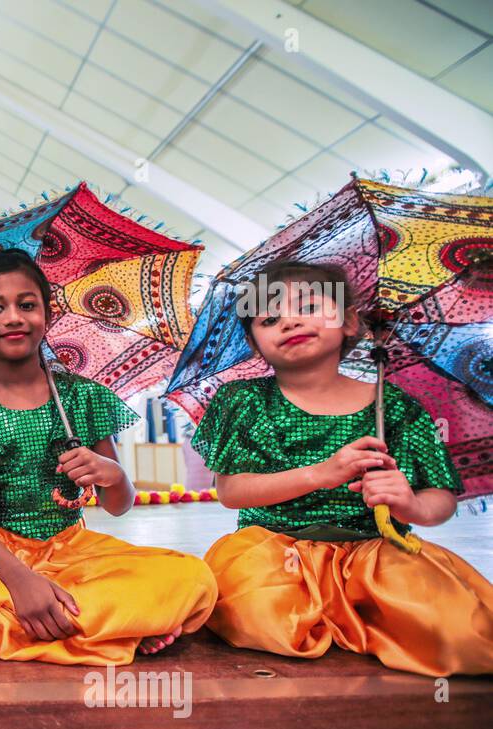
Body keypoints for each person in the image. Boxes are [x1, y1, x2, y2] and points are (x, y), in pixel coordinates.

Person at [0, 250, 218, 663]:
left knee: (192, 578)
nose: (13, 317)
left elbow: (118, 505)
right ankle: (108, 622)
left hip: (73, 553)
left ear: (48, 316)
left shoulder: (82, 397)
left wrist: (111, 473)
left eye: (27, 305)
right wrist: (21, 581)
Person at [194, 260, 492, 676]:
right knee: (255, 616)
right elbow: (233, 492)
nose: (290, 322)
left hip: (377, 551)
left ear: (350, 322)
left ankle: (364, 615)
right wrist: (324, 472)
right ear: (253, 342)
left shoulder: (396, 407)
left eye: (310, 307)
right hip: (273, 552)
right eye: (270, 318)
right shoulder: (242, 400)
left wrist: (409, 504)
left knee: (459, 635)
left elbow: (439, 498)